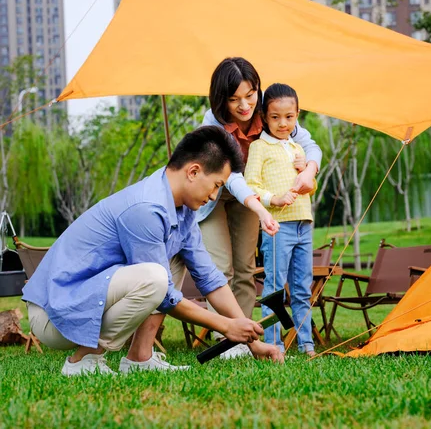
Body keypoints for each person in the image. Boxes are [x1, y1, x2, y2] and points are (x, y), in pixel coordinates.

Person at [21, 126, 284, 376]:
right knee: (155, 279)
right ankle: (84, 361)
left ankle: (140, 358)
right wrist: (226, 326)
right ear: (193, 171)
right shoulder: (146, 208)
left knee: (170, 262)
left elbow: (210, 279)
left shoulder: (182, 211)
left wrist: (251, 340)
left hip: (85, 300)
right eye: (216, 185)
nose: (215, 196)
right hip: (54, 314)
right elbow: (165, 295)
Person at [198, 58, 322, 356]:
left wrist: (309, 170)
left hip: (252, 198)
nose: (244, 105)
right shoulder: (212, 122)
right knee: (221, 267)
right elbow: (233, 177)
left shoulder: (270, 114)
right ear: (220, 98)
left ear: (258, 91)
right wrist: (263, 207)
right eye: (234, 99)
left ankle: (240, 338)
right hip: (216, 195)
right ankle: (224, 336)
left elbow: (311, 145)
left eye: (250, 95)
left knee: (244, 267)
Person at [244, 83, 316, 356]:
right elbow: (251, 184)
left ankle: (306, 343)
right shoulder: (260, 147)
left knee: (301, 288)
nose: (282, 123)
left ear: (297, 114)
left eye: (289, 117)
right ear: (264, 116)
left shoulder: (298, 148)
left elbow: (310, 187)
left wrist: (306, 172)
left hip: (303, 224)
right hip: (278, 228)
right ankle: (273, 345)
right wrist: (273, 199)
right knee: (275, 289)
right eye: (275, 117)